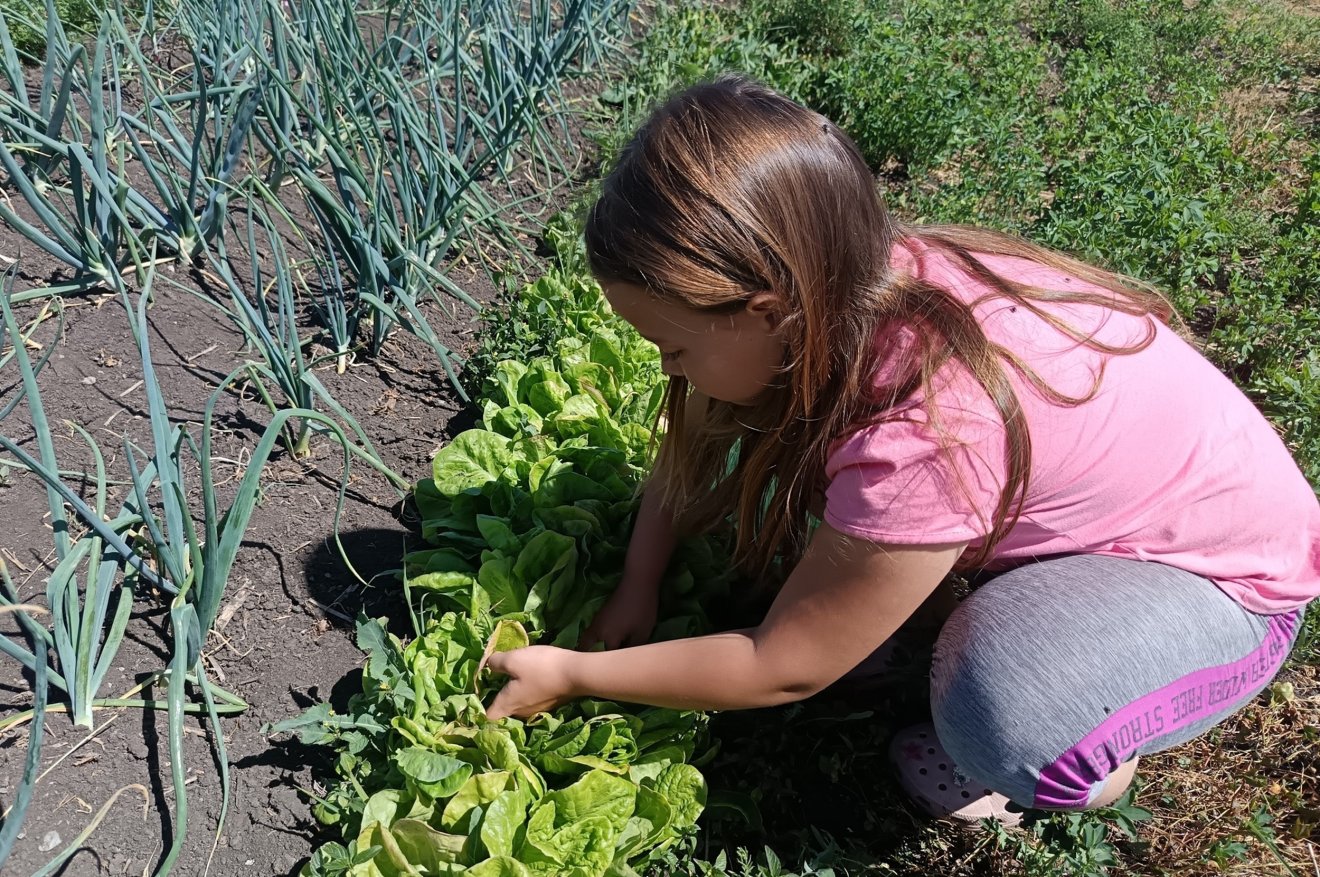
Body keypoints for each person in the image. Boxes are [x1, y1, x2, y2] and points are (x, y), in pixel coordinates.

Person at [483, 75, 1320, 824]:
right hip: (1170, 489)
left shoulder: (925, 433)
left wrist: (571, 674)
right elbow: (697, 424)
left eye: (673, 345)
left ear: (767, 307)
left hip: (1232, 584)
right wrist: (640, 576)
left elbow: (784, 666)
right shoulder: (847, 277)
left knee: (1005, 709)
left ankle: (1088, 746)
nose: (668, 369)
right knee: (861, 595)